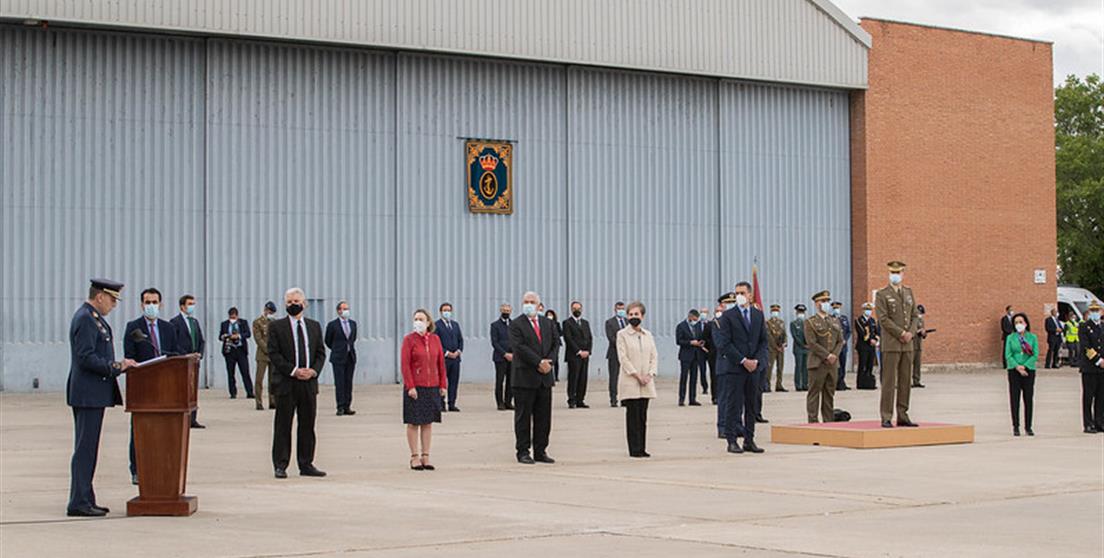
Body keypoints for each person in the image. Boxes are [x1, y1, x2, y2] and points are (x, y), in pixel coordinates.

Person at [66, 279, 136, 517]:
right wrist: (116, 366)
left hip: (93, 393)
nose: (114, 305)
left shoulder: (93, 318)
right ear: (100, 297)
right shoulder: (86, 319)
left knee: (89, 449)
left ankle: (86, 497)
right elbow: (85, 357)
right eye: (112, 300)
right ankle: (78, 502)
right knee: (85, 449)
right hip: (88, 394)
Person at [268, 288, 326, 479]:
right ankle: (280, 464)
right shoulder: (277, 327)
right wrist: (294, 371)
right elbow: (274, 354)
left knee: (307, 424)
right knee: (283, 425)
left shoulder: (314, 326)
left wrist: (313, 371)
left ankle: (306, 463)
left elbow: (320, 353)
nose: (293, 305)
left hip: (308, 383)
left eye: (296, 301)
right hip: (286, 382)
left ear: (304, 304)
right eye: (289, 302)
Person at [123, 287, 178, 485]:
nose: (151, 306)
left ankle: (163, 465)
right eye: (148, 302)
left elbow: (175, 355)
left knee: (165, 428)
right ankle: (137, 469)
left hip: (165, 386)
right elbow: (129, 356)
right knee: (139, 429)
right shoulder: (134, 328)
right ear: (141, 305)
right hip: (142, 387)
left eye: (154, 302)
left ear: (161, 304)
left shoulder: (168, 328)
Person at [714, 281, 768, 455]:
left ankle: (749, 440)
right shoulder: (728, 316)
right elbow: (725, 343)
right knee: (733, 405)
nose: (739, 296)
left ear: (750, 295)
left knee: (751, 405)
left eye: (742, 293)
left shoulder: (758, 315)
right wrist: (743, 360)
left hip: (754, 369)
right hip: (735, 368)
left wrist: (756, 361)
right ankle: (731, 441)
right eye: (737, 293)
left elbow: (763, 341)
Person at [508, 291, 559, 464]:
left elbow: (555, 344)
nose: (528, 304)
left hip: (545, 378)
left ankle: (540, 450)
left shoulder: (548, 323)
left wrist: (549, 362)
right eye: (525, 301)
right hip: (524, 377)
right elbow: (519, 347)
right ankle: (523, 451)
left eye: (531, 302)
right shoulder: (516, 324)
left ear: (539, 305)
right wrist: (538, 362)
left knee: (543, 417)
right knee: (523, 417)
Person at [876, 261, 920, 428]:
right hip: (892, 343)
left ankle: (903, 414)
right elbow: (883, 319)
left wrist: (911, 333)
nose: (895, 275)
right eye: (892, 272)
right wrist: (901, 333)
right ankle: (886, 416)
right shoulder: (882, 294)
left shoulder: (908, 292)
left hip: (907, 344)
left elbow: (915, 315)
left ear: (903, 274)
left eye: (898, 272)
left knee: (905, 381)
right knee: (889, 381)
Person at [401, 309, 448, 470]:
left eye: (421, 319)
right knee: (414, 423)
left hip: (432, 386)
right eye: (416, 319)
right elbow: (405, 365)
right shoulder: (409, 340)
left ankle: (426, 456)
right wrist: (410, 386)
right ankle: (414, 456)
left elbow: (440, 363)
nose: (418, 322)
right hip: (416, 387)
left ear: (428, 322)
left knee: (427, 423)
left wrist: (442, 385)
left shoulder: (435, 339)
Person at [616, 301, 658, 458]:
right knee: (633, 416)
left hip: (646, 381)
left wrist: (650, 374)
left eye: (636, 314)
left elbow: (654, 356)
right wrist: (636, 375)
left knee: (642, 416)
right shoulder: (622, 335)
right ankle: (634, 449)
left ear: (642, 316)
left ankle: (642, 447)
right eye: (631, 314)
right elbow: (623, 357)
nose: (633, 317)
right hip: (631, 381)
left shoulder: (648, 335)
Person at [805, 291, 843, 423]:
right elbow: (811, 343)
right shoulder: (811, 322)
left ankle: (828, 420)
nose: (826, 304)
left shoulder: (835, 321)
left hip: (832, 364)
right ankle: (813, 420)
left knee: (829, 393)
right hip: (817, 363)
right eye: (823, 301)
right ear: (817, 304)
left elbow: (840, 341)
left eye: (827, 301)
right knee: (814, 393)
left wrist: (834, 355)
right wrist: (827, 355)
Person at [170, 294, 206, 428]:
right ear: (182, 306)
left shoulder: (194, 322)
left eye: (193, 304)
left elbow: (201, 340)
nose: (192, 306)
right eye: (189, 304)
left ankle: (193, 418)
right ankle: (182, 417)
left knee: (193, 390)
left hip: (194, 362)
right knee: (182, 390)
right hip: (182, 362)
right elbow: (173, 342)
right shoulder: (175, 322)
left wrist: (199, 354)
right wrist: (185, 355)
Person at [1004, 312, 1038, 437]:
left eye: (1021, 322)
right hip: (1014, 370)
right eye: (1016, 322)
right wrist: (1017, 366)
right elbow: (1008, 355)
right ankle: (1016, 426)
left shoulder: (1032, 337)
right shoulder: (1011, 338)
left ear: (1026, 323)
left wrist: (1025, 366)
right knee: (1015, 398)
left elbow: (1035, 354)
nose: (1019, 324)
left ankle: (1028, 426)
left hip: (1028, 370)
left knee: (1028, 398)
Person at [324, 301, 358, 416]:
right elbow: (328, 340)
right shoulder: (333, 325)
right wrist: (337, 349)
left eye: (347, 308)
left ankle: (347, 406)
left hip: (350, 356)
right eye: (344, 309)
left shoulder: (353, 324)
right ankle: (340, 406)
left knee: (348, 382)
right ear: (339, 311)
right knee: (339, 383)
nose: (346, 311)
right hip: (338, 357)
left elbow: (353, 338)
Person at [562, 301, 594, 408]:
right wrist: (579, 351)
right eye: (575, 308)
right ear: (571, 309)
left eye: (579, 308)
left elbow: (589, 338)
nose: (577, 310)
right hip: (574, 355)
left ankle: (580, 400)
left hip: (585, 356)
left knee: (583, 378)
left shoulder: (585, 323)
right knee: (573, 378)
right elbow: (568, 339)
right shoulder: (567, 323)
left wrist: (588, 351)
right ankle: (571, 400)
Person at [1079, 301, 1103, 434]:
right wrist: (1098, 360)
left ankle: (1099, 422)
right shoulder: (1084, 327)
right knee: (1089, 396)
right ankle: (1088, 423)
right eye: (1093, 311)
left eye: (1097, 310)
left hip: (1102, 368)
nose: (1095, 313)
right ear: (1089, 312)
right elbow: (1085, 346)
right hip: (1090, 367)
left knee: (1101, 396)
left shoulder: (1102, 326)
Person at [434, 303, 464, 412]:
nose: (447, 312)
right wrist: (446, 353)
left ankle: (452, 403)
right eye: (445, 310)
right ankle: (441, 403)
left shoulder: (455, 325)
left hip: (455, 359)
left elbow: (460, 340)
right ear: (441, 312)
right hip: (444, 359)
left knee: (454, 382)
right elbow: (436, 342)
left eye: (449, 310)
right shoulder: (436, 325)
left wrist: (458, 351)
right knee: (442, 382)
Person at [219, 307, 254, 399]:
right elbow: (220, 336)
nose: (232, 319)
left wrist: (238, 336)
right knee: (231, 373)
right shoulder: (224, 324)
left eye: (234, 317)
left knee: (245, 371)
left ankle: (250, 392)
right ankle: (233, 393)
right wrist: (225, 336)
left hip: (241, 350)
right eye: (231, 317)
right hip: (230, 350)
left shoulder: (243, 322)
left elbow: (248, 334)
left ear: (237, 316)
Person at [675, 309, 705, 406]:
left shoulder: (697, 326)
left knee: (694, 378)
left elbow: (700, 337)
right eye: (694, 319)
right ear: (690, 317)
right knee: (684, 377)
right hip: (685, 356)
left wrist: (700, 343)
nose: (695, 321)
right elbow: (679, 341)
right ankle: (681, 399)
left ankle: (692, 399)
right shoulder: (681, 326)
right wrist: (690, 342)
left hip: (696, 355)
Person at [252, 301, 278, 411]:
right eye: (269, 311)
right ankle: (258, 402)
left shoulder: (275, 323)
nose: (270, 314)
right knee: (259, 379)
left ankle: (273, 401)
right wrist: (268, 350)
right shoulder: (257, 322)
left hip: (273, 355)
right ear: (265, 310)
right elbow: (258, 338)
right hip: (262, 354)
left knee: (273, 380)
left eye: (272, 312)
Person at [490, 303, 514, 411]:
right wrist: (505, 354)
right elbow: (494, 342)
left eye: (508, 311)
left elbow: (517, 340)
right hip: (500, 358)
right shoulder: (495, 325)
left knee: (511, 380)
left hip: (513, 357)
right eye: (504, 310)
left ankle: (508, 401)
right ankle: (500, 402)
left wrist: (513, 354)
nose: (506, 312)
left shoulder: (514, 324)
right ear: (501, 311)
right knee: (500, 381)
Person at [604, 302, 629, 407]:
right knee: (614, 377)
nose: (621, 311)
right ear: (615, 309)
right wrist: (622, 345)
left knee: (626, 378)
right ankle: (613, 399)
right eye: (619, 309)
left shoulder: (628, 322)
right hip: (614, 353)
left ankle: (625, 399)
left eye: (622, 309)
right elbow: (611, 338)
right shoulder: (609, 322)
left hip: (627, 354)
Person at [854, 302, 880, 390]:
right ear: (863, 310)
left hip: (871, 346)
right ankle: (861, 383)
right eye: (867, 309)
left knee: (870, 364)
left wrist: (875, 340)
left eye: (870, 310)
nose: (868, 311)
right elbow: (862, 333)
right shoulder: (859, 320)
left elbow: (876, 332)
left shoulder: (872, 320)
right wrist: (870, 340)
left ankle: (869, 382)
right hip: (863, 346)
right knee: (863, 364)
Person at [703, 304, 725, 404]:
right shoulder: (709, 325)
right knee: (714, 376)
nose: (719, 313)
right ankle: (715, 396)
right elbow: (704, 339)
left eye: (720, 311)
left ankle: (723, 396)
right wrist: (710, 349)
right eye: (717, 311)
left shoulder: (727, 323)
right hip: (713, 354)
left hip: (725, 355)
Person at [765, 304, 788, 393]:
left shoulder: (781, 322)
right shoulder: (767, 323)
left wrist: (784, 343)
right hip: (772, 349)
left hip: (781, 349)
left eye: (777, 311)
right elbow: (769, 337)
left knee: (780, 367)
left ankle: (779, 385)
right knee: (769, 368)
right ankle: (767, 385)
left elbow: (784, 334)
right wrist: (776, 347)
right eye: (774, 311)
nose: (775, 313)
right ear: (771, 312)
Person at [832, 301, 852, 391]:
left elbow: (848, 331)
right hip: (835, 346)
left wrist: (845, 340)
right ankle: (835, 383)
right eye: (835, 308)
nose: (836, 310)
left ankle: (842, 382)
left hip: (843, 346)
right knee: (836, 365)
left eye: (838, 308)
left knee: (843, 364)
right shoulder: (830, 319)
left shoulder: (844, 318)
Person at [791, 304, 809, 391]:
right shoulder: (793, 324)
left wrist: (808, 344)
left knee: (806, 367)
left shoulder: (808, 323)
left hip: (807, 348)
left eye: (802, 312)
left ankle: (805, 384)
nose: (801, 313)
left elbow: (810, 335)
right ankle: (798, 385)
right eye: (799, 312)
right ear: (796, 312)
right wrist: (803, 345)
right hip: (798, 348)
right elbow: (795, 336)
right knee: (798, 366)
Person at [544, 308, 563, 384]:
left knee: (556, 360)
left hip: (555, 343)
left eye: (551, 314)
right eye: (548, 314)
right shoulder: (544, 323)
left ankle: (556, 376)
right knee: (548, 359)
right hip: (547, 343)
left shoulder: (556, 323)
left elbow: (561, 332)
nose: (549, 316)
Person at [912, 304, 927, 388]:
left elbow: (923, 334)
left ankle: (916, 380)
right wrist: (917, 331)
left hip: (918, 345)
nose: (920, 315)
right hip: (912, 345)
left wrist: (924, 333)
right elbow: (911, 331)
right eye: (919, 313)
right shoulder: (912, 320)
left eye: (921, 313)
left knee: (917, 364)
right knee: (910, 364)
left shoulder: (922, 321)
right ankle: (909, 381)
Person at [698, 306, 712, 396]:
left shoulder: (711, 324)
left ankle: (714, 387)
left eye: (705, 312)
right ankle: (704, 387)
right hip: (700, 350)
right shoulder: (697, 325)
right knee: (702, 370)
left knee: (712, 370)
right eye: (702, 312)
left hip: (710, 351)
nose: (704, 314)